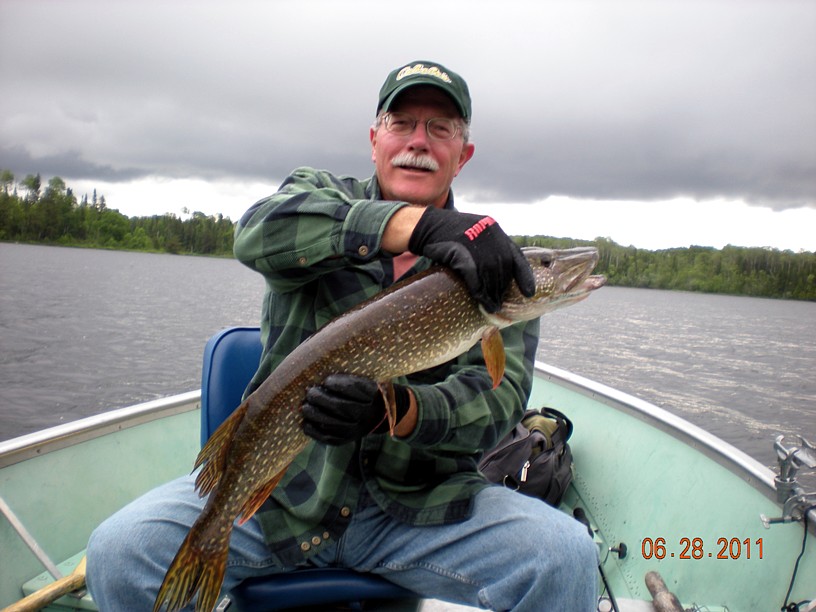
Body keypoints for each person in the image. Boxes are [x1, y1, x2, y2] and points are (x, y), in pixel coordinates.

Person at [86, 60, 598, 611]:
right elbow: (258, 232)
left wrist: (399, 410)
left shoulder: (495, 264)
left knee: (564, 555)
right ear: (375, 137)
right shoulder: (318, 195)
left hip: (418, 511)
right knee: (120, 551)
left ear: (462, 154)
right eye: (402, 123)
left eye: (440, 128)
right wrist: (415, 226)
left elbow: (494, 406)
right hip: (285, 501)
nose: (418, 142)